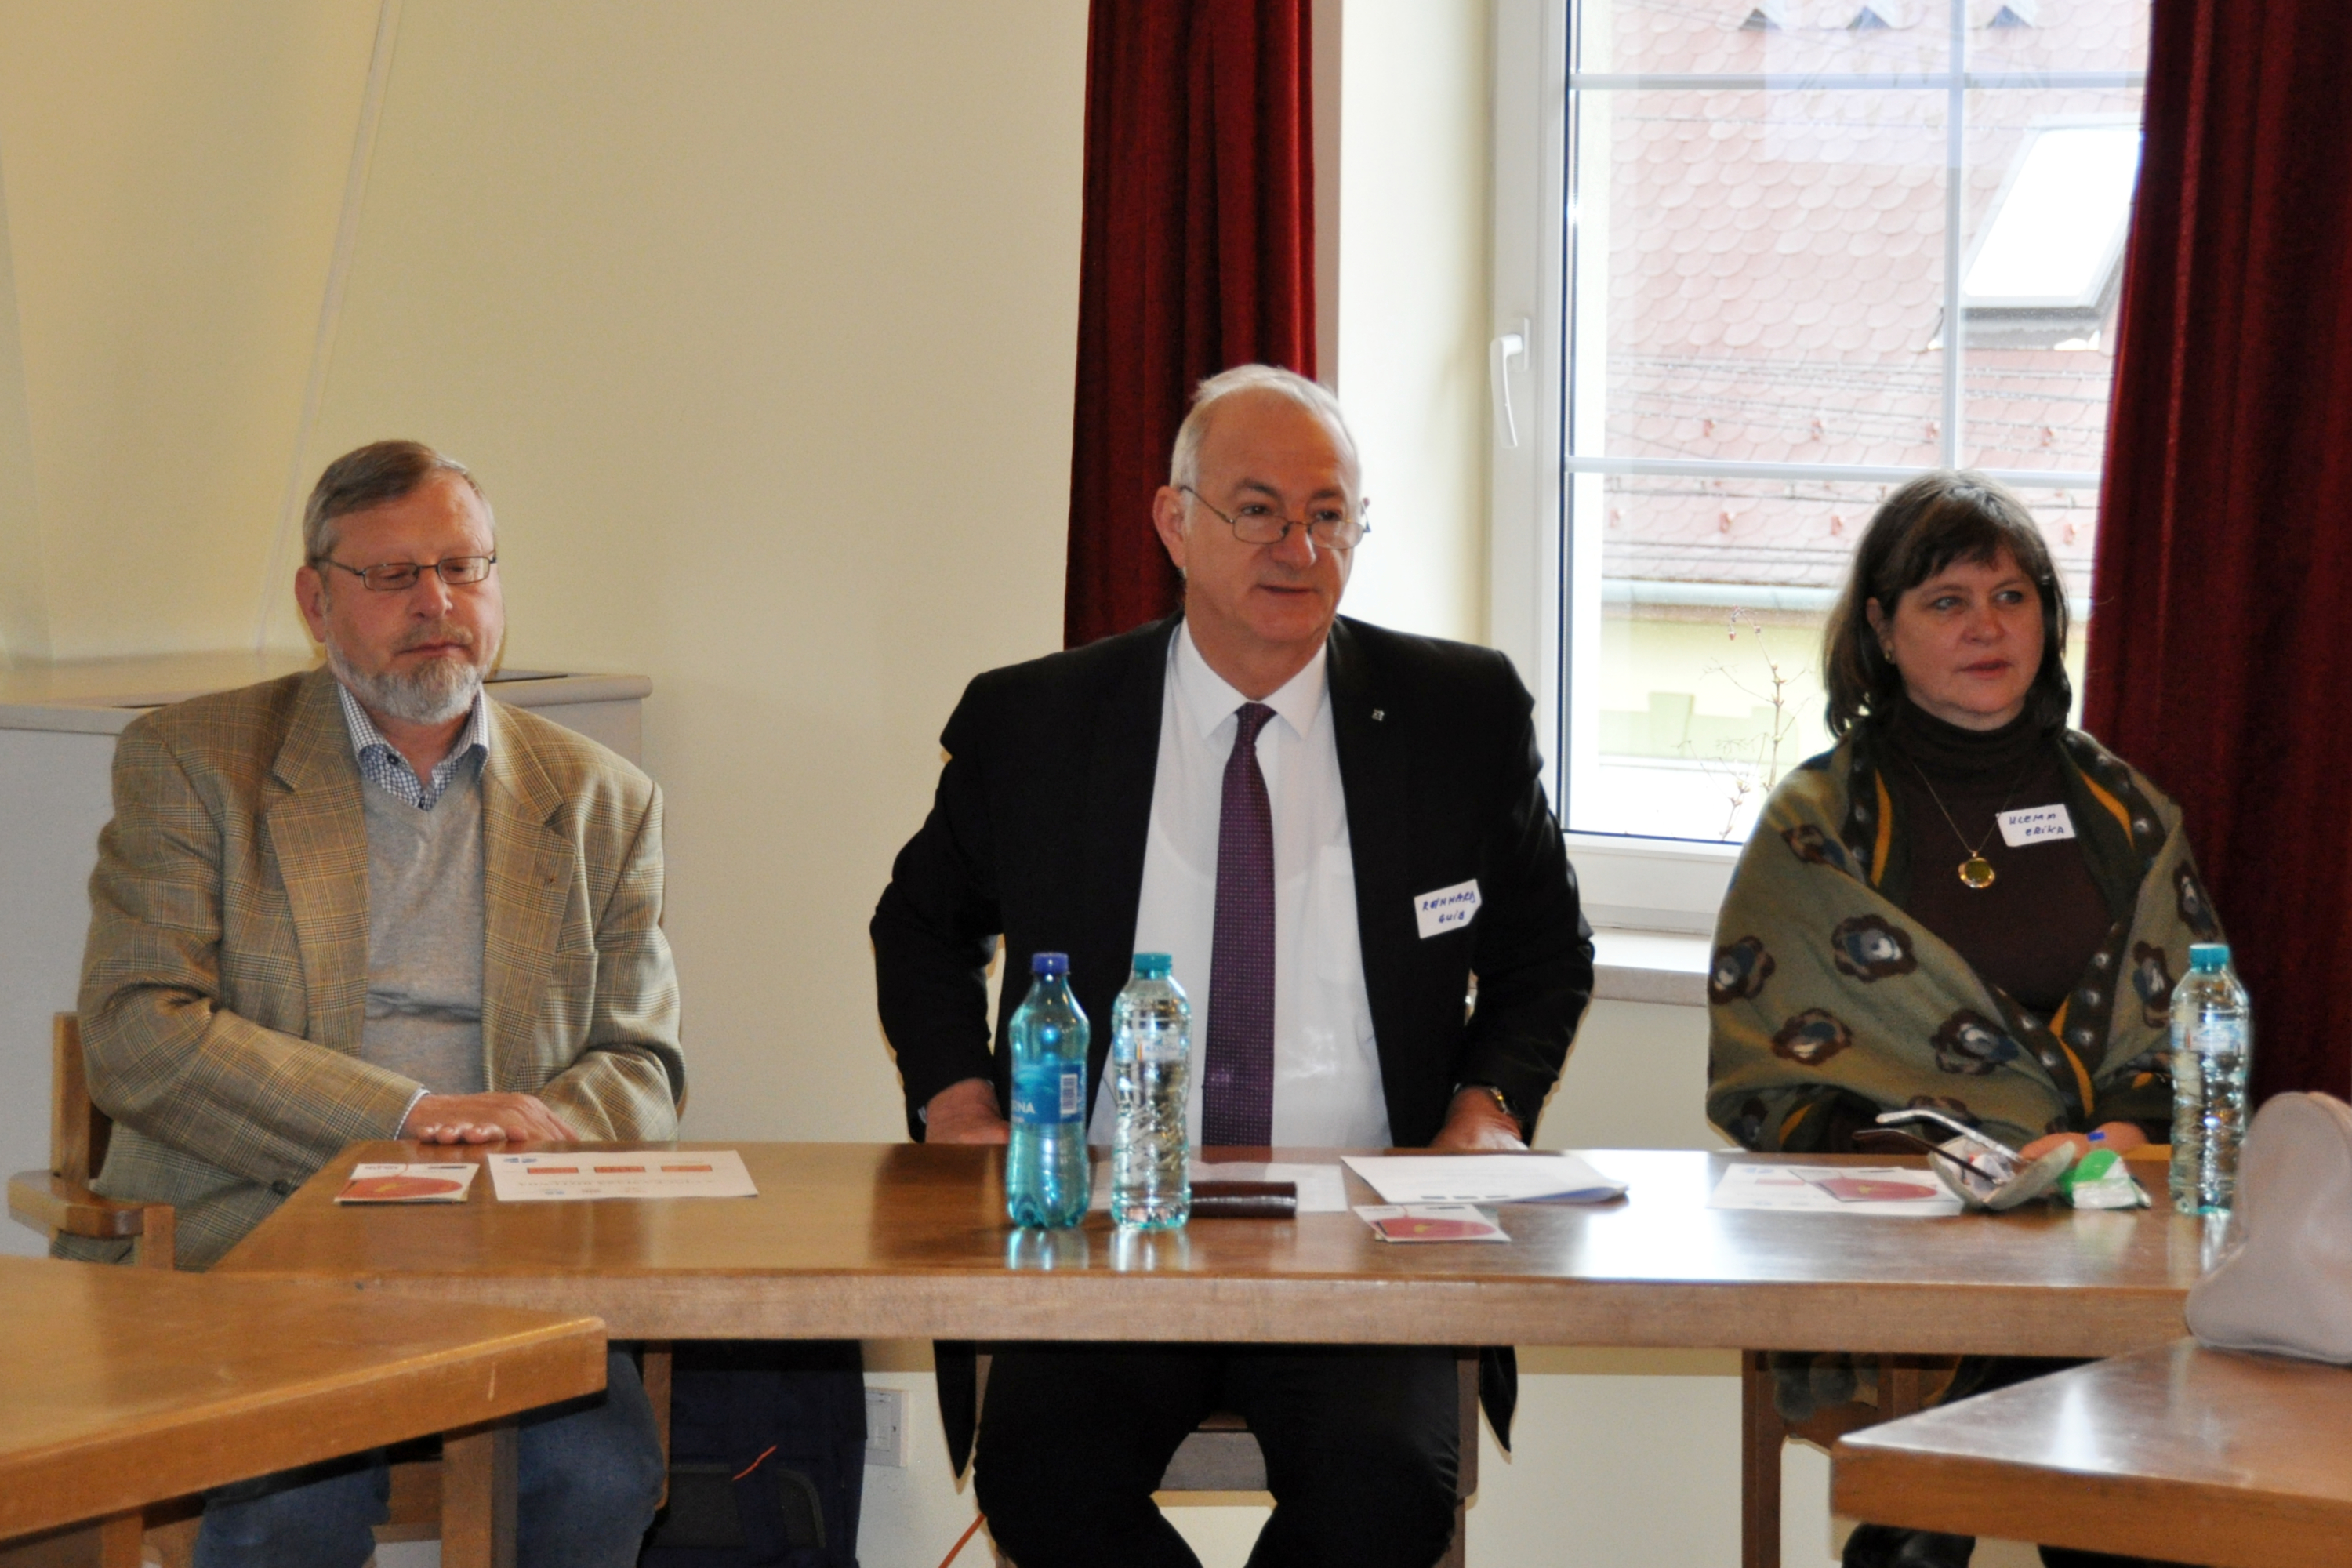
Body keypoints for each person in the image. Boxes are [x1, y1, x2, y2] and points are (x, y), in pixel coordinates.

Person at [872, 365, 1595, 1568]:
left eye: (1329, 515)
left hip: (1359, 1235)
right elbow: (919, 926)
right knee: (1041, 1475)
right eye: (1257, 511)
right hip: (1111, 1228)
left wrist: (1488, 1107)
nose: (1298, 549)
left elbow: (1545, 952)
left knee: (1388, 1490)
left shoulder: (1455, 715)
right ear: (1175, 522)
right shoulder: (1039, 723)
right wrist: (958, 1106)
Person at [71, 440, 684, 1568]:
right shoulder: (196, 760)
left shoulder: (603, 798)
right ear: (317, 603)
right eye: (394, 575)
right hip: (263, 1233)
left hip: (508, 1244)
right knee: (288, 1502)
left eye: (463, 567)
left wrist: (523, 1147)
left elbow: (640, 1061)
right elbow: (135, 1029)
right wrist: (409, 1121)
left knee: (600, 1475)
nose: (437, 603)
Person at [1706, 470, 2218, 1568]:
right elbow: (1773, 1076)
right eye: (1947, 601)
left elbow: (2192, 1036)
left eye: (2012, 596)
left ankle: (1918, 1531)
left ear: (2047, 616)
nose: (1987, 626)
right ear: (1882, 630)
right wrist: (1953, 1170)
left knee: (2091, 1342)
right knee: (2068, 1376)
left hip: (2108, 1211)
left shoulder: (2126, 813)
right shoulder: (1819, 824)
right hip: (1900, 1235)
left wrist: (2099, 1148)